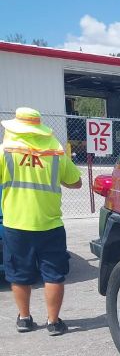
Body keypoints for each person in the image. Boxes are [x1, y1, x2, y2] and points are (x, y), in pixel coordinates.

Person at [1, 107, 82, 335]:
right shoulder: (55, 151)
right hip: (50, 224)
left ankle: (24, 319)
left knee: (18, 274)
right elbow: (75, 182)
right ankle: (54, 322)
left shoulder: (5, 151)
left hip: (16, 223)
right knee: (54, 274)